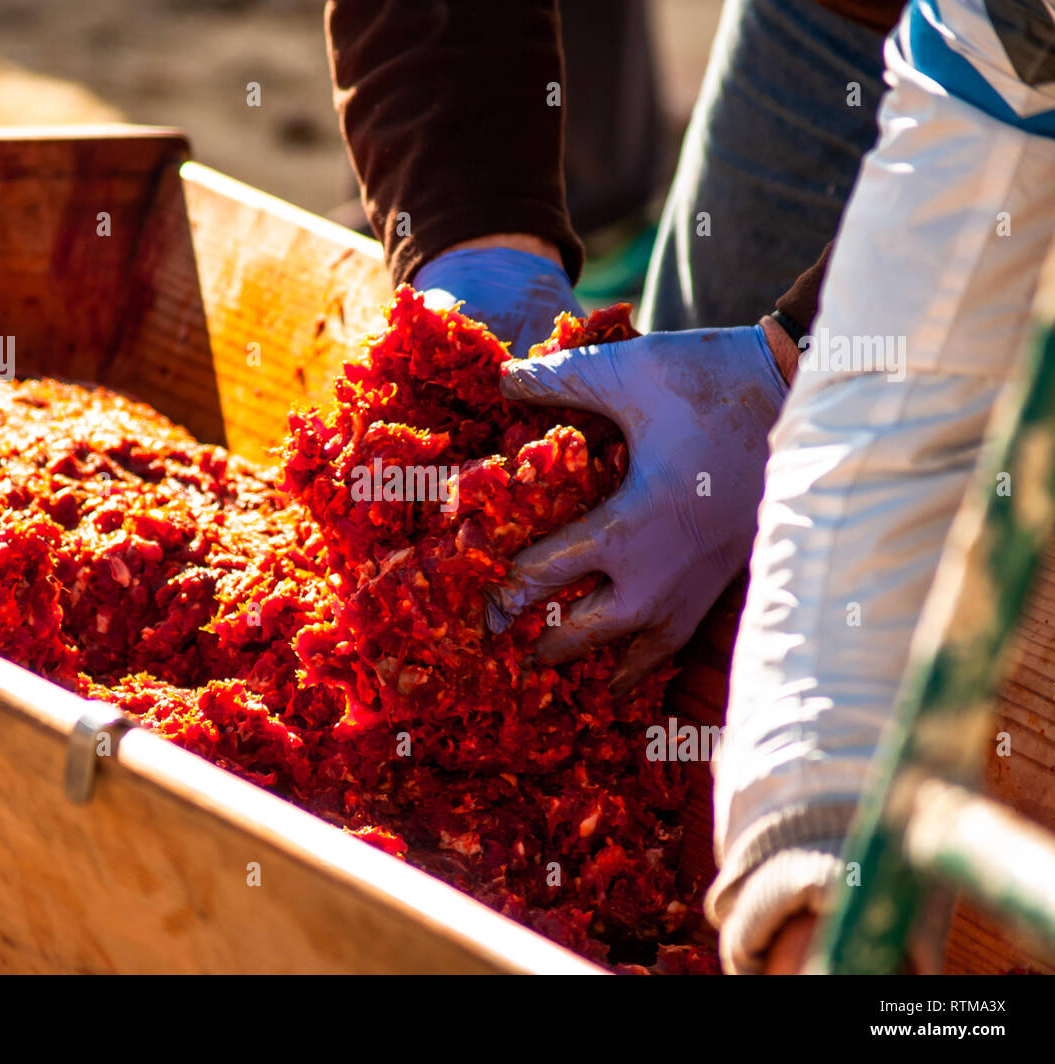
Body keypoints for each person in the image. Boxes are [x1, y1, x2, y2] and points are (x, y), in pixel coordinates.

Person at [326, 0, 1055, 973]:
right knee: (681, 568)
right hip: (909, 39)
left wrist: (782, 378)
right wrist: (473, 239)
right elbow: (888, 409)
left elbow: (952, 322)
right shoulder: (991, 36)